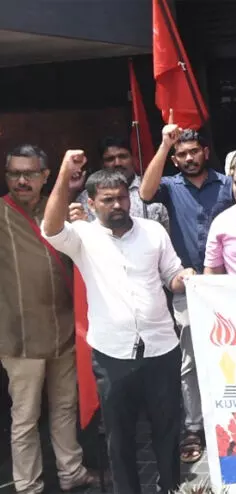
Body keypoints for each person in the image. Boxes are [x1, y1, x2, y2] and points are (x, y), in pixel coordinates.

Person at [43, 155, 195, 494]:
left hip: (161, 349)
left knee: (167, 430)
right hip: (112, 354)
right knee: (120, 437)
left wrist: (185, 278)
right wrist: (64, 172)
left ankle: (171, 488)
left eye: (122, 197)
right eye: (107, 199)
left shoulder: (153, 231)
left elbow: (171, 275)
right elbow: (50, 229)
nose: (117, 205)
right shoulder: (82, 236)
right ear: (91, 203)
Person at [0, 145, 98, 493]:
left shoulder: (59, 210)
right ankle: (28, 485)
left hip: (65, 329)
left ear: (45, 176)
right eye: (14, 173)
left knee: (65, 407)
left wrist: (83, 226)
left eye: (29, 173)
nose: (21, 181)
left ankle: (71, 471)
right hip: (19, 337)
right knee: (25, 417)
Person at [139, 120, 233, 464]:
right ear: (176, 159)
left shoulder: (227, 183)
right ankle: (194, 426)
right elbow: (144, 193)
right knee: (190, 362)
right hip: (188, 286)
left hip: (229, 285)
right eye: (183, 154)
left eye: (195, 151)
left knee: (232, 354)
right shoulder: (169, 185)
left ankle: (235, 421)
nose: (190, 158)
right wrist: (164, 145)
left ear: (206, 152)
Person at [76, 136, 169, 229]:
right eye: (110, 159)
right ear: (102, 164)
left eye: (123, 156)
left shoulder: (153, 188)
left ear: (134, 159)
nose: (117, 163)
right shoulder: (88, 197)